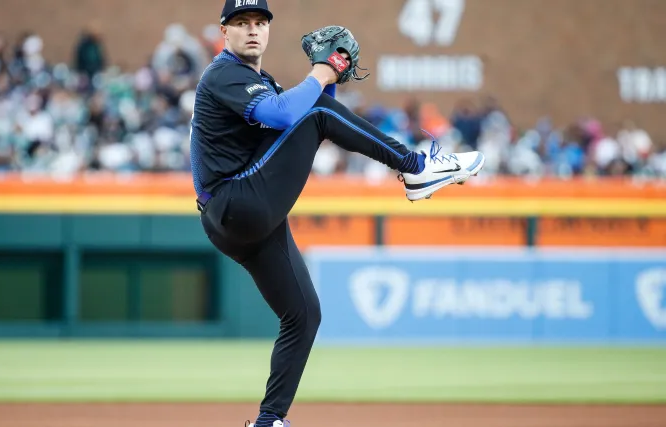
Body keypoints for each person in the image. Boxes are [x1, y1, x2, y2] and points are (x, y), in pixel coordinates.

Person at [190, 1, 485, 425]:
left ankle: (270, 418)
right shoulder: (223, 73)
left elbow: (308, 122)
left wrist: (330, 81)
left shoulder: (259, 80)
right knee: (316, 112)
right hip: (236, 202)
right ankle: (417, 169)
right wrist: (322, 72)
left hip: (244, 216)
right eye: (241, 23)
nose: (252, 30)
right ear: (225, 31)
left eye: (259, 22)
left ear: (269, 30)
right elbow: (290, 114)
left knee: (304, 314)